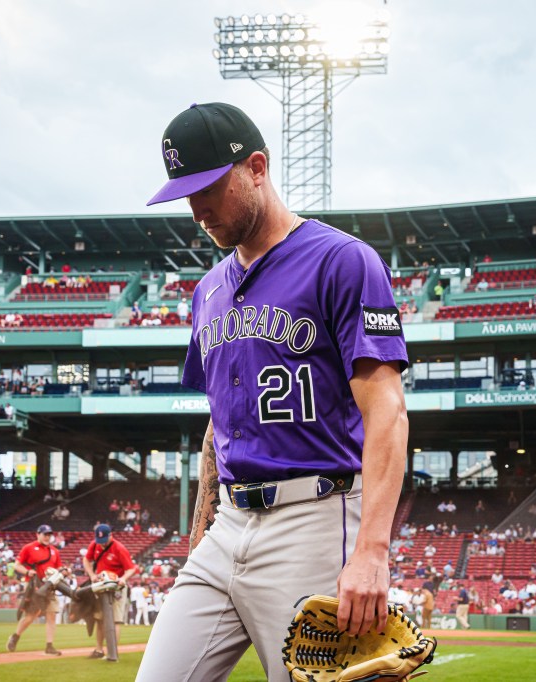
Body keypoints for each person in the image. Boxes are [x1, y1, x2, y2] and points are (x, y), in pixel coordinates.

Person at [136, 102, 408, 682]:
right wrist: (202, 531)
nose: (198, 210)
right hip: (229, 524)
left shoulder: (342, 261)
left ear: (256, 168)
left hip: (314, 517)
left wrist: (372, 551)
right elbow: (218, 424)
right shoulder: (208, 291)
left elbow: (386, 410)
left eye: (208, 188)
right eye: (185, 195)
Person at [7, 524, 65, 656]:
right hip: (35, 586)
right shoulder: (29, 548)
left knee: (51, 615)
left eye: (49, 535)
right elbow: (17, 565)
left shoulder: (54, 551)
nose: (47, 537)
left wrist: (64, 570)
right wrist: (27, 572)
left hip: (50, 586)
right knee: (31, 616)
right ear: (38, 534)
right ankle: (15, 636)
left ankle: (49, 646)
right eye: (45, 534)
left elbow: (59, 567)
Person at [83, 524, 138, 660]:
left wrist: (123, 579)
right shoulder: (94, 545)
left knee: (115, 620)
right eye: (99, 541)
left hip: (117, 587)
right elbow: (86, 559)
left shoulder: (119, 548)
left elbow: (131, 569)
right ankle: (98, 650)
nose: (102, 544)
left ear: (110, 536)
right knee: (100, 619)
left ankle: (112, 652)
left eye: (104, 540)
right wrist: (91, 575)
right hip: (101, 586)